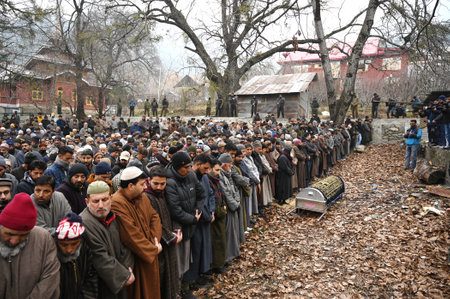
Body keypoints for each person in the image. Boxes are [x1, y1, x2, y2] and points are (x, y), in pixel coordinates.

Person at [111, 166, 162, 299]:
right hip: (137, 257)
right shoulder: (117, 202)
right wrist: (153, 249)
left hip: (149, 250)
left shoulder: (142, 196)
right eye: (142, 184)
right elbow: (130, 235)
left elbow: (154, 217)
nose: (145, 187)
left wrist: (154, 240)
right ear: (130, 186)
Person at [80, 181, 135, 299]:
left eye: (104, 200)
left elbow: (125, 246)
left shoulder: (114, 217)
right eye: (95, 201)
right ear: (87, 202)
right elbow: (99, 255)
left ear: (111, 198)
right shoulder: (84, 223)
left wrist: (126, 269)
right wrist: (123, 276)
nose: (101, 205)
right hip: (99, 284)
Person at [0, 192, 60, 298]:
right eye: (9, 234)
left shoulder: (43, 239)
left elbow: (50, 278)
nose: (14, 241)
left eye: (23, 235)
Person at [165, 151, 205, 298]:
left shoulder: (191, 175)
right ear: (177, 167)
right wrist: (192, 218)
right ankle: (178, 290)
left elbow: (201, 194)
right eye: (185, 167)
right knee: (179, 260)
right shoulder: (169, 182)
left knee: (188, 257)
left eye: (189, 166)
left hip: (192, 223)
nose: (188, 170)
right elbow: (175, 210)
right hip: (179, 227)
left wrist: (198, 211)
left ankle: (185, 286)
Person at [145, 166, 182, 299]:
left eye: (163, 184)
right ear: (149, 180)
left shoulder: (164, 194)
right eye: (156, 183)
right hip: (158, 244)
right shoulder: (146, 197)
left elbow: (173, 213)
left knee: (171, 274)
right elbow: (154, 223)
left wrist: (177, 230)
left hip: (169, 241)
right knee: (161, 277)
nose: (159, 187)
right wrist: (170, 238)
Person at [184, 154, 214, 289]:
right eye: (205, 168)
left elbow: (210, 194)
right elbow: (196, 202)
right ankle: (192, 280)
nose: (207, 171)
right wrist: (205, 215)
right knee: (194, 251)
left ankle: (202, 273)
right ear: (197, 164)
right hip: (196, 220)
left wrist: (212, 211)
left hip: (207, 218)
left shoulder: (205, 177)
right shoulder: (189, 178)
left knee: (204, 248)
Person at [53, 212, 97, 299]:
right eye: (64, 245)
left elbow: (91, 279)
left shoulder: (86, 251)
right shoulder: (51, 257)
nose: (69, 250)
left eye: (74, 244)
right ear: (57, 242)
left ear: (80, 241)